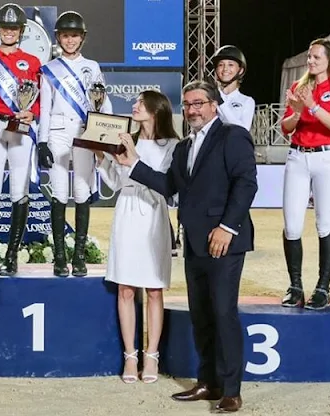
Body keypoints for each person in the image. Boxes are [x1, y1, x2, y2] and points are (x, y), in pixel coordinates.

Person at [115, 80, 257, 412]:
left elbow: (246, 183)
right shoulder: (183, 148)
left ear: (213, 105)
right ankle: (208, 382)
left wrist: (227, 228)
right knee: (202, 316)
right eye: (188, 104)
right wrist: (134, 164)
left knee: (224, 313)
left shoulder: (233, 135)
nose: (192, 109)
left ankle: (231, 390)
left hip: (224, 241)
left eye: (198, 103)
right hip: (194, 242)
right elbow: (168, 186)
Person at [94, 90, 178, 383]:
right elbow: (117, 182)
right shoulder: (125, 138)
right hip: (127, 211)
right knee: (126, 289)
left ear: (157, 109)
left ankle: (151, 355)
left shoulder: (172, 145)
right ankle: (131, 355)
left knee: (154, 289)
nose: (135, 106)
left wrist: (134, 155)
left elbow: (165, 185)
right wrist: (101, 157)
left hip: (153, 213)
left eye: (141, 103)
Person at [280, 38, 330, 310]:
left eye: (316, 58)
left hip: (327, 157)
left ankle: (323, 288)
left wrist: (311, 106)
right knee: (292, 225)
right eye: (309, 57)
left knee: (324, 223)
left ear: (329, 60)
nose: (310, 61)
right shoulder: (299, 87)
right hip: (298, 157)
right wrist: (298, 112)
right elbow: (285, 128)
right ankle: (295, 285)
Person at [38, 11, 113, 277]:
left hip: (83, 131)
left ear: (82, 38)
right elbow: (44, 107)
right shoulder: (49, 70)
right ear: (59, 38)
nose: (70, 41)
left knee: (82, 190)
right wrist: (42, 141)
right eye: (66, 36)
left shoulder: (92, 66)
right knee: (59, 191)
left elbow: (102, 101)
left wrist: (105, 133)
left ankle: (78, 255)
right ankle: (59, 257)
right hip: (57, 130)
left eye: (75, 36)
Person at [0, 3, 41, 277]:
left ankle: (11, 256)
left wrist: (31, 113)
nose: (9, 32)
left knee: (18, 191)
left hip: (21, 129)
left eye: (14, 28)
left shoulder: (33, 63)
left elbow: (39, 101)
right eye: (4, 28)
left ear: (21, 31)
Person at [211, 45, 255, 131]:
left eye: (230, 65)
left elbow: (242, 130)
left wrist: (220, 101)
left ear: (240, 70)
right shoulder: (209, 98)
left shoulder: (247, 101)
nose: (225, 69)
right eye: (221, 65)